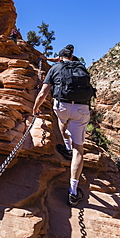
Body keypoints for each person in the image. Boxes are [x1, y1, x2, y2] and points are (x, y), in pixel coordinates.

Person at [33, 48, 91, 206]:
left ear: (59, 58)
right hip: (81, 108)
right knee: (79, 149)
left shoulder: (55, 68)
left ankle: (67, 147)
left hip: (62, 106)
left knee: (61, 120)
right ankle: (73, 192)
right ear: (71, 57)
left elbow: (44, 91)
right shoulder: (80, 66)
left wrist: (36, 107)